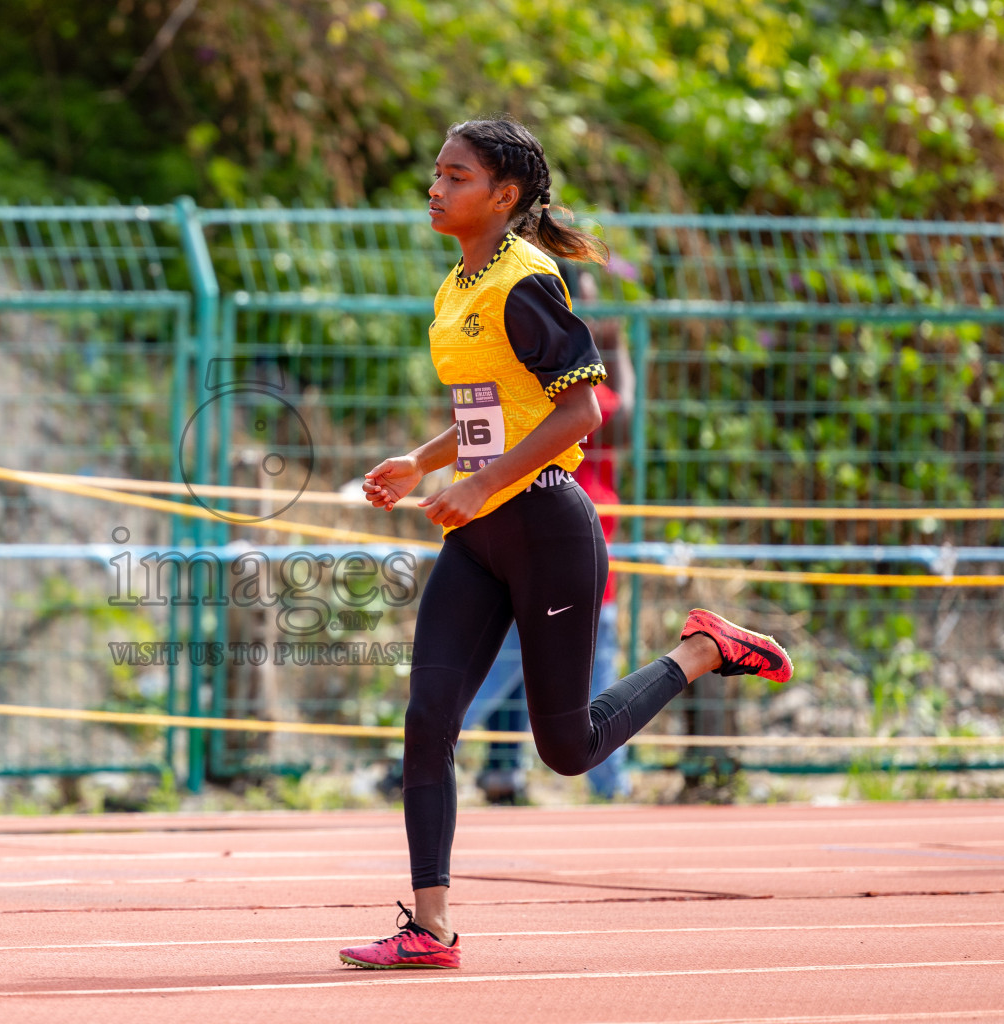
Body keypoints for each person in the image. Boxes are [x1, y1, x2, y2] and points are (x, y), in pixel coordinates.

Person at [338, 117, 791, 971]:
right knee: (428, 718)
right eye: (434, 173)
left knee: (567, 749)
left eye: (456, 176)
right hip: (479, 536)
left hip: (547, 526)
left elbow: (583, 410)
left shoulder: (526, 282)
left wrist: (477, 484)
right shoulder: (457, 286)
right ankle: (430, 929)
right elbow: (496, 408)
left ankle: (701, 651)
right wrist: (424, 460)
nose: (435, 189)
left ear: (503, 197)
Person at [468, 270, 634, 804]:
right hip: (554, 553)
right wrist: (616, 348)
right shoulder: (565, 388)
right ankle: (611, 784)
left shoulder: (566, 386)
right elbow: (620, 417)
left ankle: (442, 750)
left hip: (561, 549)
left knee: (517, 673)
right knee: (525, 672)